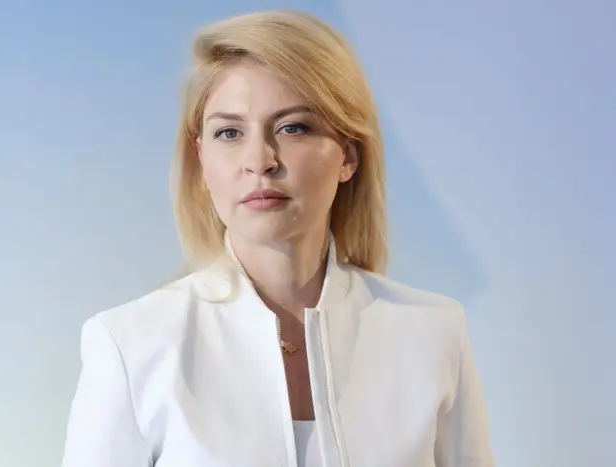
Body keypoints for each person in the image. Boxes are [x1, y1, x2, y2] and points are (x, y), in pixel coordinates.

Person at [60, 9, 494, 467]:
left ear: (348, 156)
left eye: (293, 127)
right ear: (201, 160)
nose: (260, 160)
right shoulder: (129, 345)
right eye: (229, 132)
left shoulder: (434, 331)